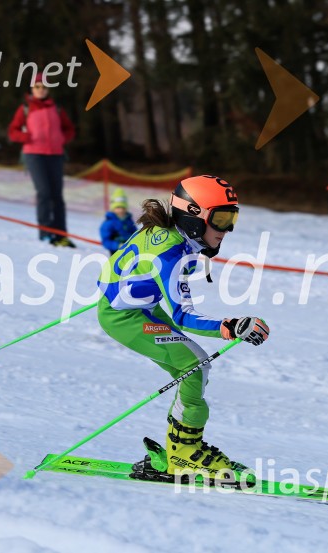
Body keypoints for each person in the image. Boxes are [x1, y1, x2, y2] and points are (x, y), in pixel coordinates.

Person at [96, 175, 270, 479]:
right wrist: (231, 326)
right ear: (192, 215)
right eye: (221, 218)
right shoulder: (172, 254)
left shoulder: (167, 233)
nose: (227, 228)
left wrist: (127, 287)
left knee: (193, 369)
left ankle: (182, 448)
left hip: (136, 308)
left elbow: (129, 262)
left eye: (232, 217)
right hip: (126, 318)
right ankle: (184, 454)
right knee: (195, 367)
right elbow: (183, 316)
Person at [8, 72, 76, 247]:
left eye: (44, 87)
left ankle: (61, 234)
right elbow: (12, 131)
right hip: (34, 155)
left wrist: (62, 138)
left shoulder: (56, 108)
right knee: (44, 193)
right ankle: (46, 232)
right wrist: (26, 137)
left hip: (55, 154)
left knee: (57, 196)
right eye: (38, 86)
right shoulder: (25, 107)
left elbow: (69, 129)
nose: (41, 90)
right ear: (32, 88)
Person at [99, 187, 138, 255]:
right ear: (113, 208)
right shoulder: (109, 223)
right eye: (118, 207)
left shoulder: (129, 221)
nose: (121, 210)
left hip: (130, 251)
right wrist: (117, 245)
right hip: (116, 253)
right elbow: (106, 241)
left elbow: (135, 234)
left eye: (123, 208)